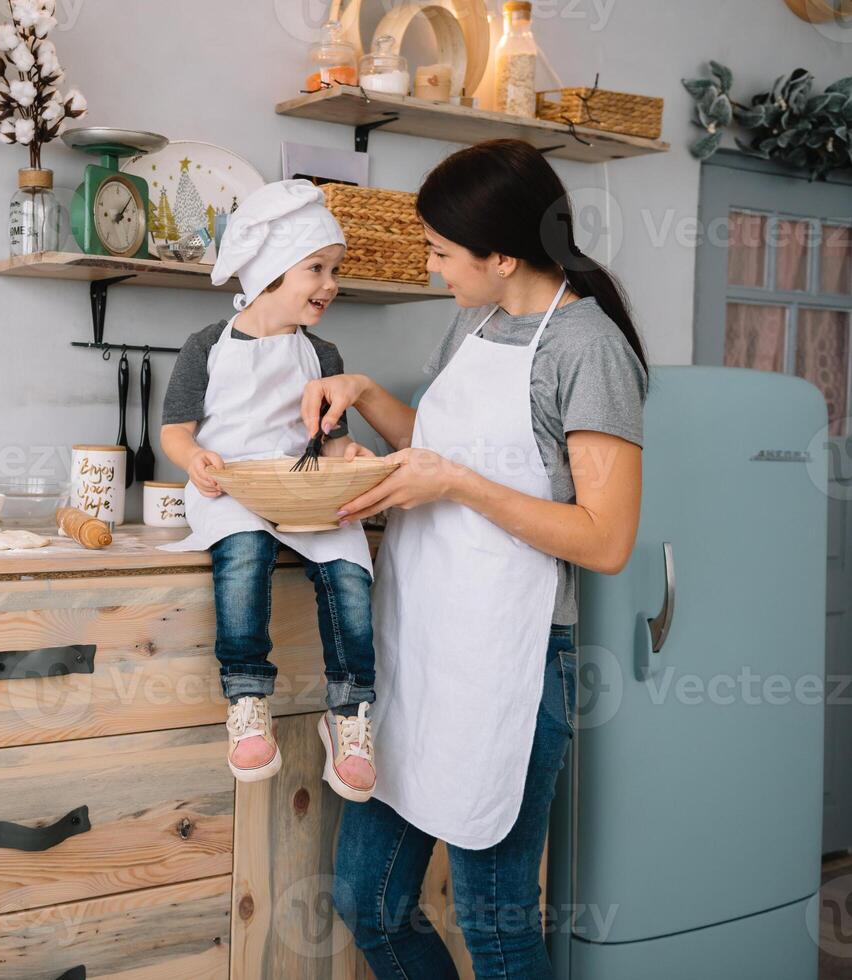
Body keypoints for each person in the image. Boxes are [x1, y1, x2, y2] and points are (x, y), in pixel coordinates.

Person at [305, 139, 648, 979]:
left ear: (502, 256)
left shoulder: (587, 349)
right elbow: (441, 449)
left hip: (516, 663)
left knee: (495, 923)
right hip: (422, 645)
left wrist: (455, 483)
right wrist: (364, 396)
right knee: (368, 900)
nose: (430, 268)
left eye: (440, 252)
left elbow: (604, 539)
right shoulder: (476, 318)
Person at [157, 179, 379, 802]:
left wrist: (346, 453)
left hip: (304, 491)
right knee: (246, 553)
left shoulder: (325, 353)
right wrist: (196, 459)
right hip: (233, 490)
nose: (331, 284)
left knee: (348, 572)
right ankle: (248, 700)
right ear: (269, 272)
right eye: (316, 268)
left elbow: (330, 437)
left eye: (334, 269)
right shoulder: (206, 347)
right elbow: (175, 432)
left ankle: (350, 715)